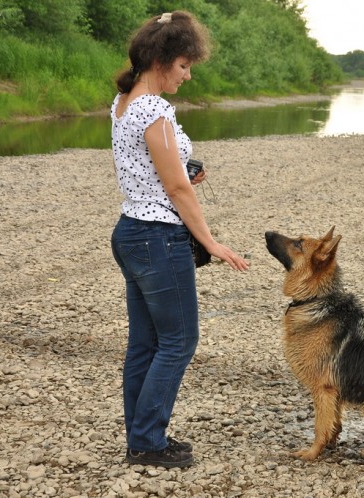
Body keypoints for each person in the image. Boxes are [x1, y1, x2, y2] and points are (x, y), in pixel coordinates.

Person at [110, 10, 249, 469]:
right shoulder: (154, 108)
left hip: (131, 231)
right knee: (180, 341)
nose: (188, 75)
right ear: (161, 59)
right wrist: (210, 242)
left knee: (146, 345)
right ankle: (148, 443)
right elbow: (175, 189)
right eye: (185, 65)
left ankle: (141, 437)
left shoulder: (125, 101)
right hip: (157, 238)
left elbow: (155, 170)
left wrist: (187, 170)